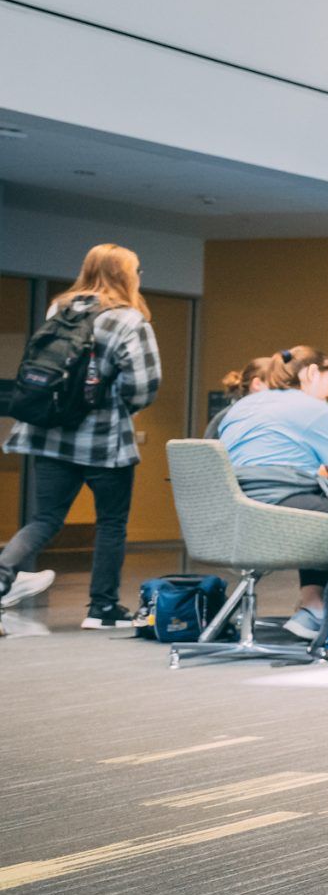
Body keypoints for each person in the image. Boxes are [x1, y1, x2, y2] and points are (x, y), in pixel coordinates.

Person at [0, 244, 164, 628]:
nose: (139, 276)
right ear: (125, 274)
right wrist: (121, 402)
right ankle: (102, 607)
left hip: (48, 435)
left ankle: (2, 571)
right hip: (103, 441)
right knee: (111, 523)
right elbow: (143, 386)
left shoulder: (59, 309)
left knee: (45, 518)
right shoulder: (129, 320)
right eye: (136, 270)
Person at [211, 345, 328, 642]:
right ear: (312, 373)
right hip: (282, 508)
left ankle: (314, 609)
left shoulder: (241, 407)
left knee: (324, 525)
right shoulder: (314, 409)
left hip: (235, 514)